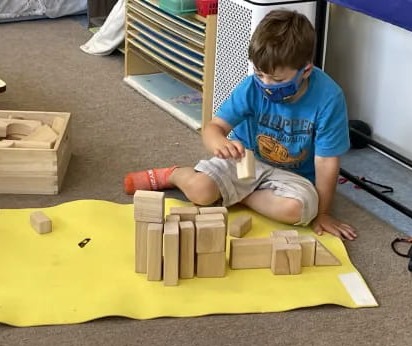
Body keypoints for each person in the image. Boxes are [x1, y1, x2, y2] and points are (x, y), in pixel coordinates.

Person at [124, 9, 357, 240]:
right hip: (246, 160)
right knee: (200, 192)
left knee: (302, 210)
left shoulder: (329, 97)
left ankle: (236, 195)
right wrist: (220, 143)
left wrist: (323, 213)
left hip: (293, 176)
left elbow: (326, 161)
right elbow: (213, 128)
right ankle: (174, 175)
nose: (266, 84)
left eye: (277, 80)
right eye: (260, 74)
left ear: (306, 69)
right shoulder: (251, 87)